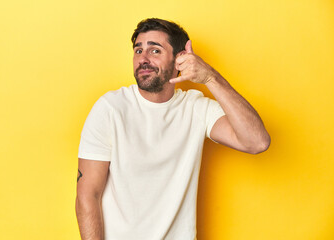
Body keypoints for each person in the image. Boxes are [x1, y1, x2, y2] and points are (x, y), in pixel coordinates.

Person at [76, 18, 270, 240]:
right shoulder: (110, 108)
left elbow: (257, 141)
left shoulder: (196, 108)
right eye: (138, 50)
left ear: (180, 59)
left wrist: (210, 77)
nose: (143, 59)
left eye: (155, 50)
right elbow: (87, 195)